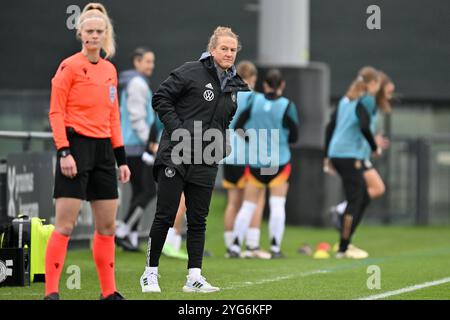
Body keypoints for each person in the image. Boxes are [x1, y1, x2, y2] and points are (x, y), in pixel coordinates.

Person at [139, 26, 249, 293]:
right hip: (175, 155)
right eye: (224, 48)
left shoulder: (233, 84)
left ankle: (194, 277)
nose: (228, 53)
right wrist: (178, 131)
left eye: (233, 50)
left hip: (206, 159)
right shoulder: (191, 71)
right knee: (165, 215)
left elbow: (226, 118)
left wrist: (223, 140)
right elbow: (160, 98)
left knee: (198, 220)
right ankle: (150, 273)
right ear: (212, 50)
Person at [46, 3, 130, 300]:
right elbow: (56, 112)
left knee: (107, 226)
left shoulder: (109, 69)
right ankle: (52, 292)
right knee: (65, 225)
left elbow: (113, 116)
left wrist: (121, 159)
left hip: (104, 151)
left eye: (99, 31)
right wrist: (63, 152)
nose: (94, 36)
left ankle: (109, 293)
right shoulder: (68, 66)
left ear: (106, 33)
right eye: (89, 31)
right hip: (76, 148)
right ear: (80, 33)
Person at [228, 69, 299, 259]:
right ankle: (275, 247)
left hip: (256, 161)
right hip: (279, 161)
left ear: (265, 85)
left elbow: (238, 127)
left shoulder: (254, 101)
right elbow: (295, 135)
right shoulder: (287, 105)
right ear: (282, 85)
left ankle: (235, 246)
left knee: (248, 205)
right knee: (277, 204)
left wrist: (252, 140)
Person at [324, 66, 382, 259]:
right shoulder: (366, 100)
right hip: (348, 155)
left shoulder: (345, 100)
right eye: (377, 85)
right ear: (372, 84)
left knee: (363, 196)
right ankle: (343, 247)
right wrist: (375, 147)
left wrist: (327, 156)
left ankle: (345, 239)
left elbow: (330, 127)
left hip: (337, 153)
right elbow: (365, 126)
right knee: (356, 198)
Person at [329, 71, 394, 238]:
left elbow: (360, 128)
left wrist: (374, 141)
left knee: (368, 193)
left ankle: (346, 231)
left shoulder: (360, 102)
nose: (390, 95)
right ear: (376, 86)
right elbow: (359, 128)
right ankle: (344, 231)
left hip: (350, 153)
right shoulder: (365, 101)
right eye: (388, 91)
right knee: (360, 197)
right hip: (352, 154)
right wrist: (373, 145)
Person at [222, 60, 269, 259]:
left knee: (233, 202)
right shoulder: (255, 98)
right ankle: (251, 245)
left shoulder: (227, 94)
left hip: (228, 155)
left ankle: (230, 246)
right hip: (249, 155)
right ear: (252, 78)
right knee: (256, 200)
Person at [115, 47, 158, 252]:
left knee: (140, 190)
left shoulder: (134, 82)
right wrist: (149, 142)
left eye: (152, 61)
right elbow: (136, 117)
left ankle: (130, 237)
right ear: (137, 62)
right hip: (136, 147)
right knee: (149, 190)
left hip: (131, 146)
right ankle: (122, 231)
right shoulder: (137, 83)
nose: (151, 65)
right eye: (148, 61)